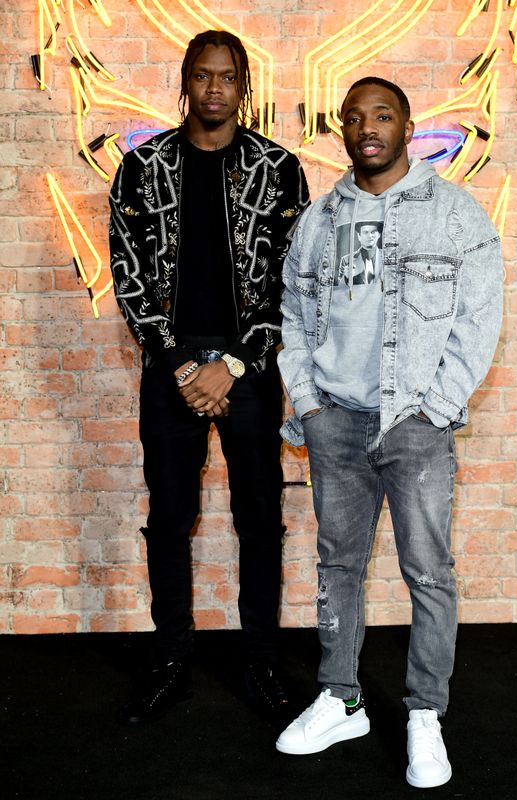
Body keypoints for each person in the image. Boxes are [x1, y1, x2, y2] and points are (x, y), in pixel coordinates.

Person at [276, 77, 503, 788]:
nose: (367, 127)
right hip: (335, 423)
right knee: (337, 567)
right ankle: (340, 698)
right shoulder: (317, 220)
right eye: (354, 117)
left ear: (409, 125)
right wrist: (309, 403)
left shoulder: (457, 217)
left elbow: (478, 321)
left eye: (382, 115)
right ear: (341, 131)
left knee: (428, 573)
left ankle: (425, 713)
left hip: (415, 425)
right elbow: (291, 313)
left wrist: (434, 410)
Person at [108, 30, 309, 725]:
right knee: (169, 517)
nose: (215, 89)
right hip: (172, 363)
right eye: (202, 76)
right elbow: (129, 278)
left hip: (248, 364)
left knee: (259, 517)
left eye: (227, 77)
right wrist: (181, 363)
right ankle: (170, 662)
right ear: (184, 82)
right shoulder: (142, 168)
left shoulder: (279, 169)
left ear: (243, 86)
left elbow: (292, 280)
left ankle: (261, 663)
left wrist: (232, 363)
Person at [338, 221, 383, 285]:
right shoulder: (346, 260)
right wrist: (346, 277)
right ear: (359, 236)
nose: (370, 236)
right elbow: (339, 290)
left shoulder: (388, 256)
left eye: (373, 232)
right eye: (365, 232)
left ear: (379, 234)